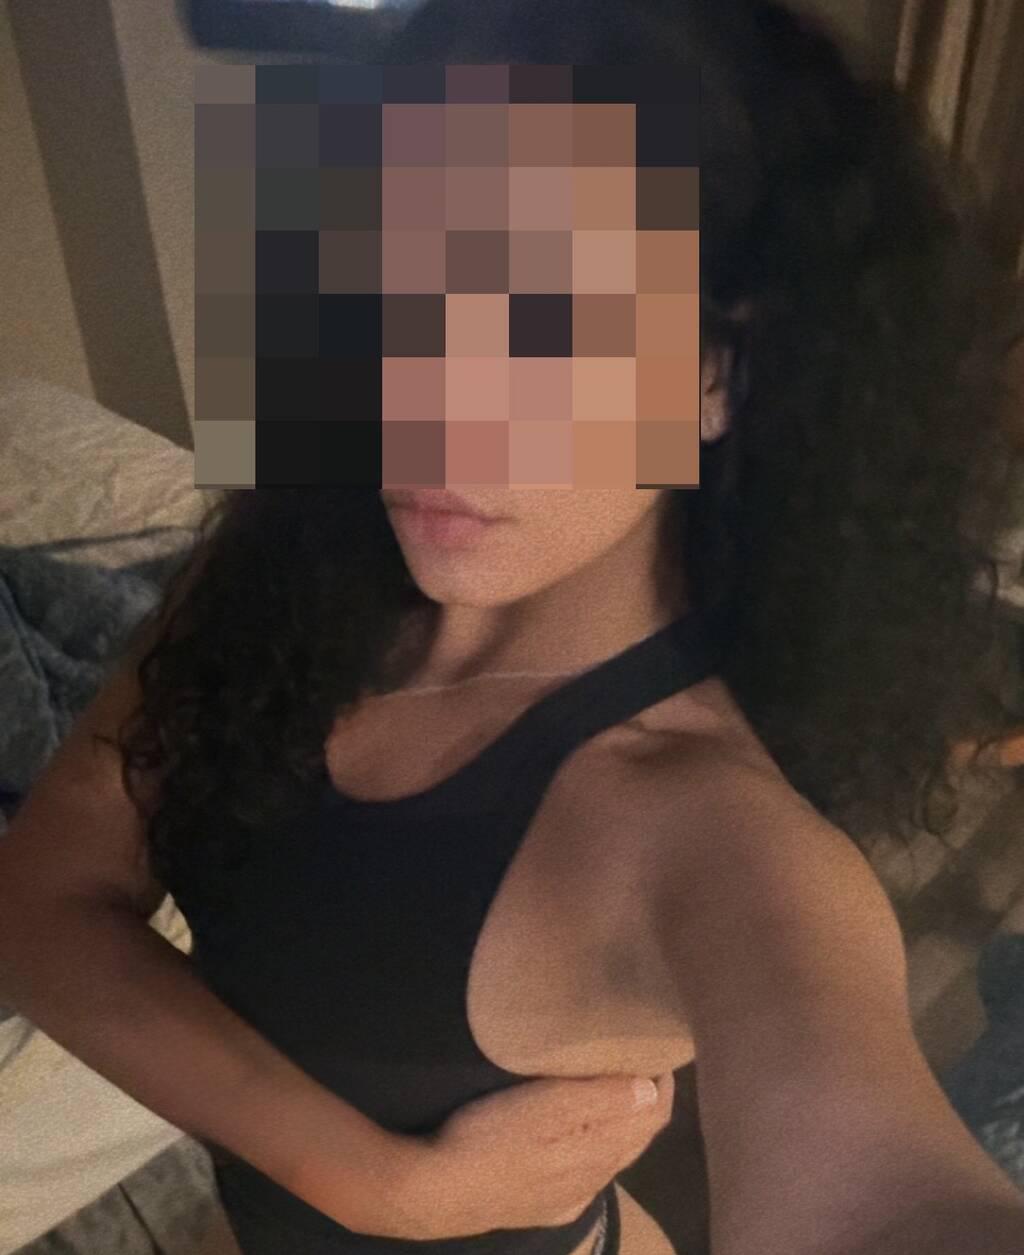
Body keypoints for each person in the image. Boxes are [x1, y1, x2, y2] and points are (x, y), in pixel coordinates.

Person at [2, 2, 1024, 1254]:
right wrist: (383, 1186)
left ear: (720, 372)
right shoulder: (297, 558)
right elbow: (42, 900)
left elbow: (880, 1188)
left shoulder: (713, 835)